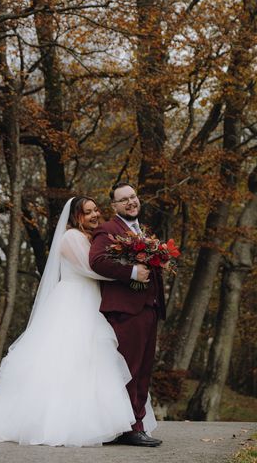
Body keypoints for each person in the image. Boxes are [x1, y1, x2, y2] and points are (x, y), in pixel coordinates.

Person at [0, 197, 156, 447]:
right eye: (88, 213)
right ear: (76, 217)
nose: (95, 215)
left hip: (93, 300)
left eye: (96, 210)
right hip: (75, 300)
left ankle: (98, 422)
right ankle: (60, 422)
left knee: (92, 361)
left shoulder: (90, 238)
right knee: (68, 359)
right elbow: (90, 269)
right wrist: (130, 270)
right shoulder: (71, 237)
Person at [89, 182, 165, 448]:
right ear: (114, 206)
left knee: (144, 371)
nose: (131, 202)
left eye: (133, 197)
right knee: (129, 371)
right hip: (126, 312)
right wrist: (132, 272)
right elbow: (96, 261)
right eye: (124, 200)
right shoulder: (108, 229)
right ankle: (130, 428)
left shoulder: (142, 231)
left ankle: (136, 423)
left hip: (149, 309)